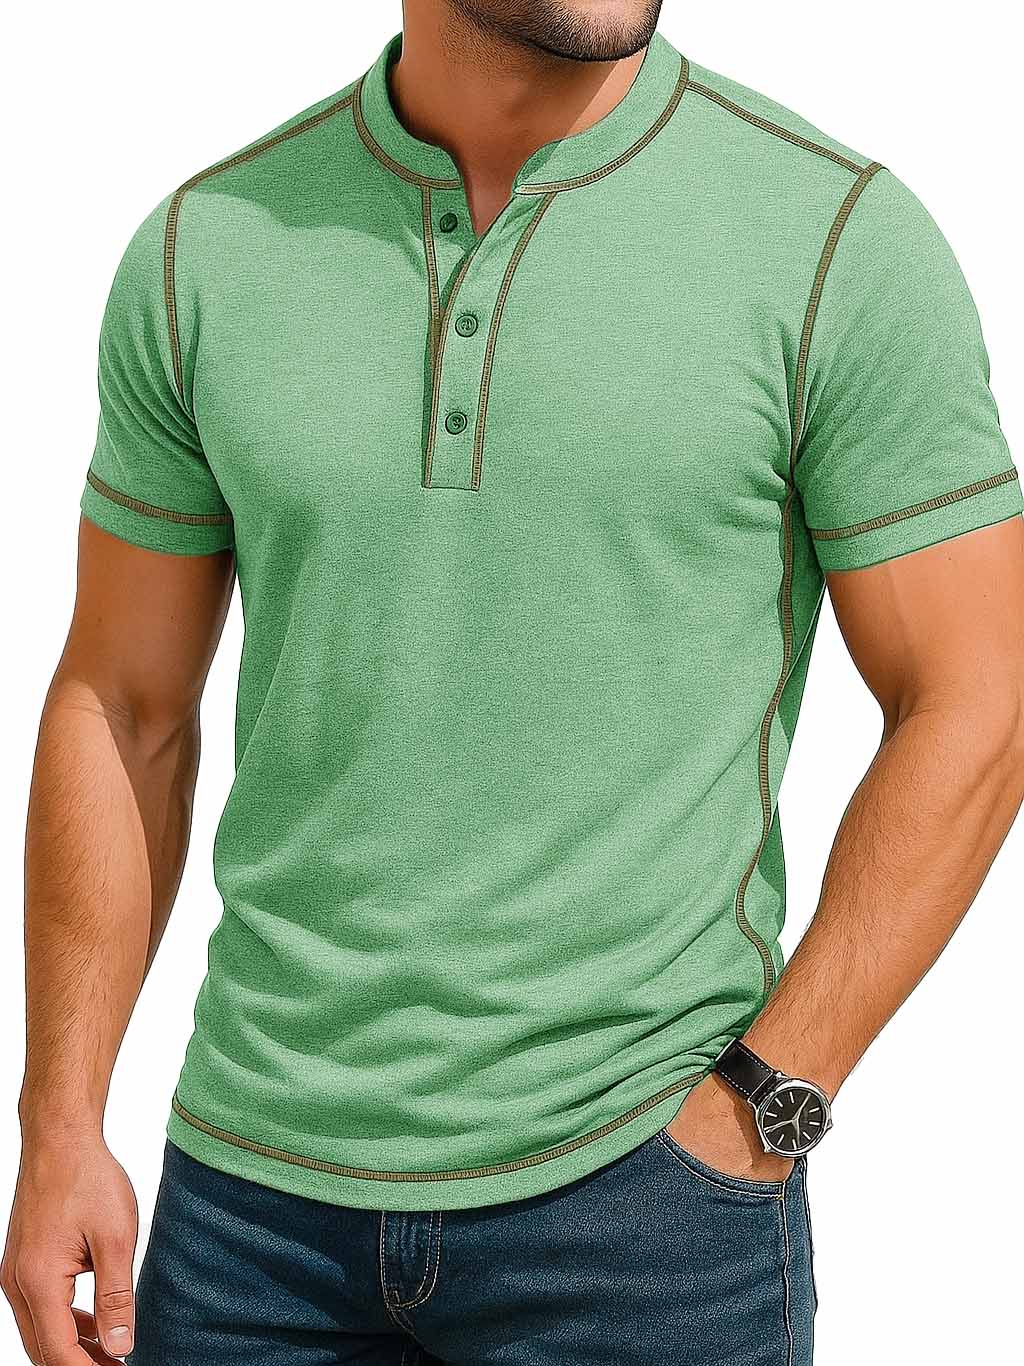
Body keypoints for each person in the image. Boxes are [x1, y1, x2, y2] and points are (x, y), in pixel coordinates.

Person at [4, 1, 1023, 1362]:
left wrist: (772, 1104)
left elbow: (980, 694)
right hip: (247, 1217)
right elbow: (122, 707)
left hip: (644, 1212)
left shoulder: (832, 238)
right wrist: (60, 1120)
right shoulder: (210, 246)